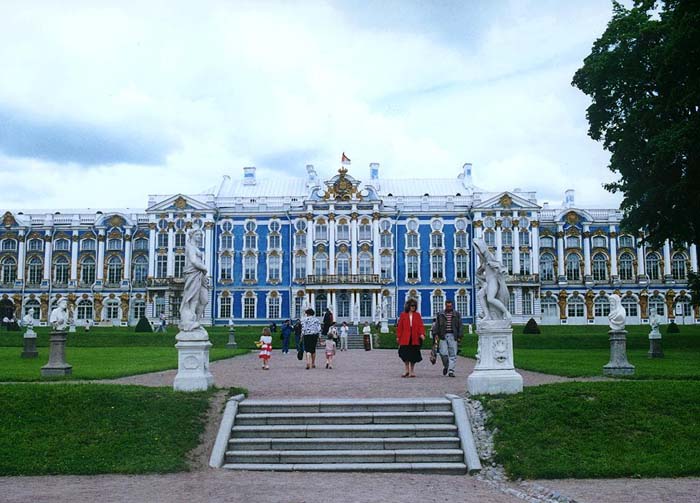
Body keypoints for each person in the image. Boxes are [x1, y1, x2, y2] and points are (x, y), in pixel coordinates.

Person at [179, 228, 209, 332]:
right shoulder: (190, 247)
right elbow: (193, 261)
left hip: (200, 274)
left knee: (204, 300)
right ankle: (191, 321)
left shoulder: (195, 247)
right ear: (192, 235)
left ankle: (197, 321)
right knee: (193, 297)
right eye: (197, 235)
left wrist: (203, 270)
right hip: (193, 273)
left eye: (200, 235)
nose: (199, 237)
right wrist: (204, 268)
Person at [474, 238, 511, 321]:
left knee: (490, 299)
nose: (478, 253)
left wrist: (494, 266)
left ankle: (506, 312)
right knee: (480, 295)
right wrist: (479, 274)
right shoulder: (484, 261)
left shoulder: (489, 256)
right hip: (488, 282)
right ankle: (487, 315)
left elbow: (500, 267)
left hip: (493, 281)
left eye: (478, 249)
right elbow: (480, 274)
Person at [431, 299, 464, 377]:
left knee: (453, 354)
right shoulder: (440, 314)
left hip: (453, 335)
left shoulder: (457, 314)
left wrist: (459, 336)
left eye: (450, 306)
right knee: (443, 353)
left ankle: (451, 370)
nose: (449, 307)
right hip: (443, 335)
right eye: (447, 306)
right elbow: (437, 325)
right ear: (445, 305)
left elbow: (460, 325)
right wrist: (435, 333)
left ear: (452, 306)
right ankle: (446, 366)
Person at [396, 298, 425, 378]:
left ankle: (412, 370)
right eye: (412, 306)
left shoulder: (417, 315)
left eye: (414, 306)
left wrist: (422, 334)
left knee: (413, 354)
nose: (413, 307)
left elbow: (420, 325)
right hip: (405, 337)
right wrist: (398, 336)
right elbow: (400, 327)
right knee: (405, 354)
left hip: (414, 337)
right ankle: (406, 370)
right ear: (408, 306)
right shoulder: (403, 315)